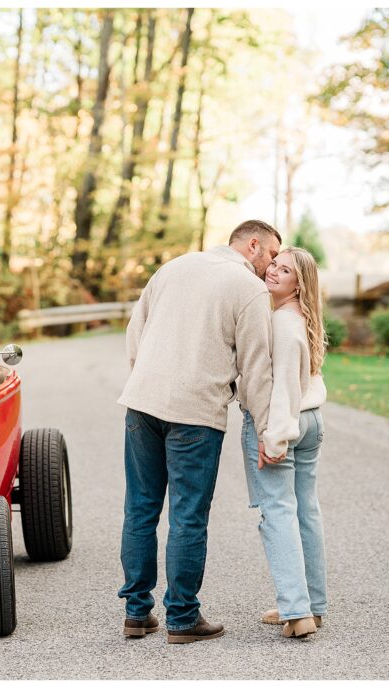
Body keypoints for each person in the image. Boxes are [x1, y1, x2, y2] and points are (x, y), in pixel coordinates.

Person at [117, 220, 283, 644]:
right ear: (252, 245)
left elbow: (135, 335)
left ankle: (136, 614)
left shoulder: (173, 267)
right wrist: (266, 430)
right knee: (188, 516)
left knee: (140, 509)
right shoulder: (248, 289)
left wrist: (148, 381)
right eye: (272, 255)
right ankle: (183, 619)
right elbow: (256, 368)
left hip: (142, 403)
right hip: (196, 410)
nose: (272, 266)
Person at [240, 246, 329, 639]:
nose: (273, 271)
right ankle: (313, 605)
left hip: (288, 423)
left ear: (299, 284)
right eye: (274, 265)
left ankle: (297, 611)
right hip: (310, 420)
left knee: (277, 513)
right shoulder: (298, 318)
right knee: (304, 512)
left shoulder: (284, 324)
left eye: (285, 270)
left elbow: (284, 389)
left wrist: (272, 438)